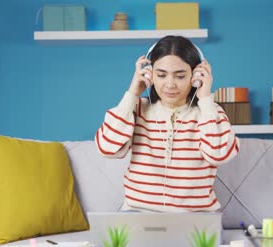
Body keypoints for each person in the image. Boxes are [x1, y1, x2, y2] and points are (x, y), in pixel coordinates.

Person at [95, 35, 239, 212]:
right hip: (138, 214)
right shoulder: (136, 108)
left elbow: (220, 154)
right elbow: (107, 148)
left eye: (180, 76)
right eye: (161, 75)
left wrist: (205, 99)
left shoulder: (210, 112)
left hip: (195, 218)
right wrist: (132, 93)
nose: (170, 84)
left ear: (196, 76)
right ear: (150, 74)